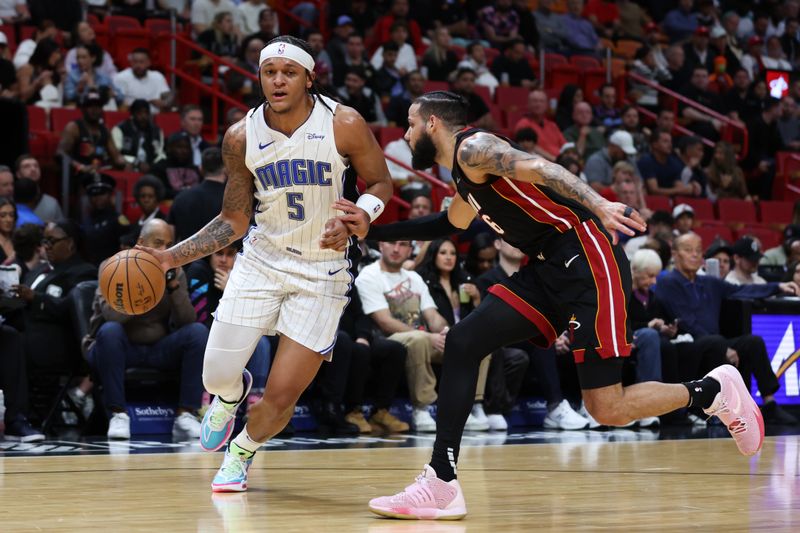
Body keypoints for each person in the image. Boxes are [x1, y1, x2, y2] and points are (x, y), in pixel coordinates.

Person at [355, 90, 768, 520]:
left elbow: (540, 166)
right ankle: (441, 482)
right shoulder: (465, 177)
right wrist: (369, 231)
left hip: (588, 261)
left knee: (605, 407)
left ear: (433, 124)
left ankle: (712, 392)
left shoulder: (475, 148)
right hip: (546, 269)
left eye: (411, 123)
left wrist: (599, 203)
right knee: (462, 340)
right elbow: (447, 223)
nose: (405, 132)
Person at [138, 35, 393, 492]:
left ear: (309, 78)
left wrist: (362, 214)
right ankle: (230, 395)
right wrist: (168, 257)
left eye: (289, 72)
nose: (278, 80)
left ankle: (242, 452)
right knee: (215, 373)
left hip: (323, 270)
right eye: (269, 72)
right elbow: (234, 218)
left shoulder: (344, 124)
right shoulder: (241, 136)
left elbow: (380, 182)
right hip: (262, 261)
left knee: (280, 396)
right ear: (259, 77)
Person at [85, 219, 206, 439]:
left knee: (197, 333)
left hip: (158, 350)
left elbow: (187, 321)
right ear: (141, 242)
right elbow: (111, 316)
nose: (164, 250)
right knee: (110, 330)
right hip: (115, 349)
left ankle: (185, 415)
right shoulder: (113, 267)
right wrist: (140, 289)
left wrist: (172, 286)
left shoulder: (174, 272)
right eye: (158, 243)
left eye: (168, 244)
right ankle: (118, 414)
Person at [168, 147, 227, 242]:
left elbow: (170, 237)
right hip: (223, 256)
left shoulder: (181, 198)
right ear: (226, 169)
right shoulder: (232, 200)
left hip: (186, 255)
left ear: (201, 169)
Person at [14, 154, 62, 223]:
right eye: (26, 166)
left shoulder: (51, 203)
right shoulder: (9, 202)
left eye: (36, 166)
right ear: (18, 174)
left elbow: (62, 231)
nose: (33, 169)